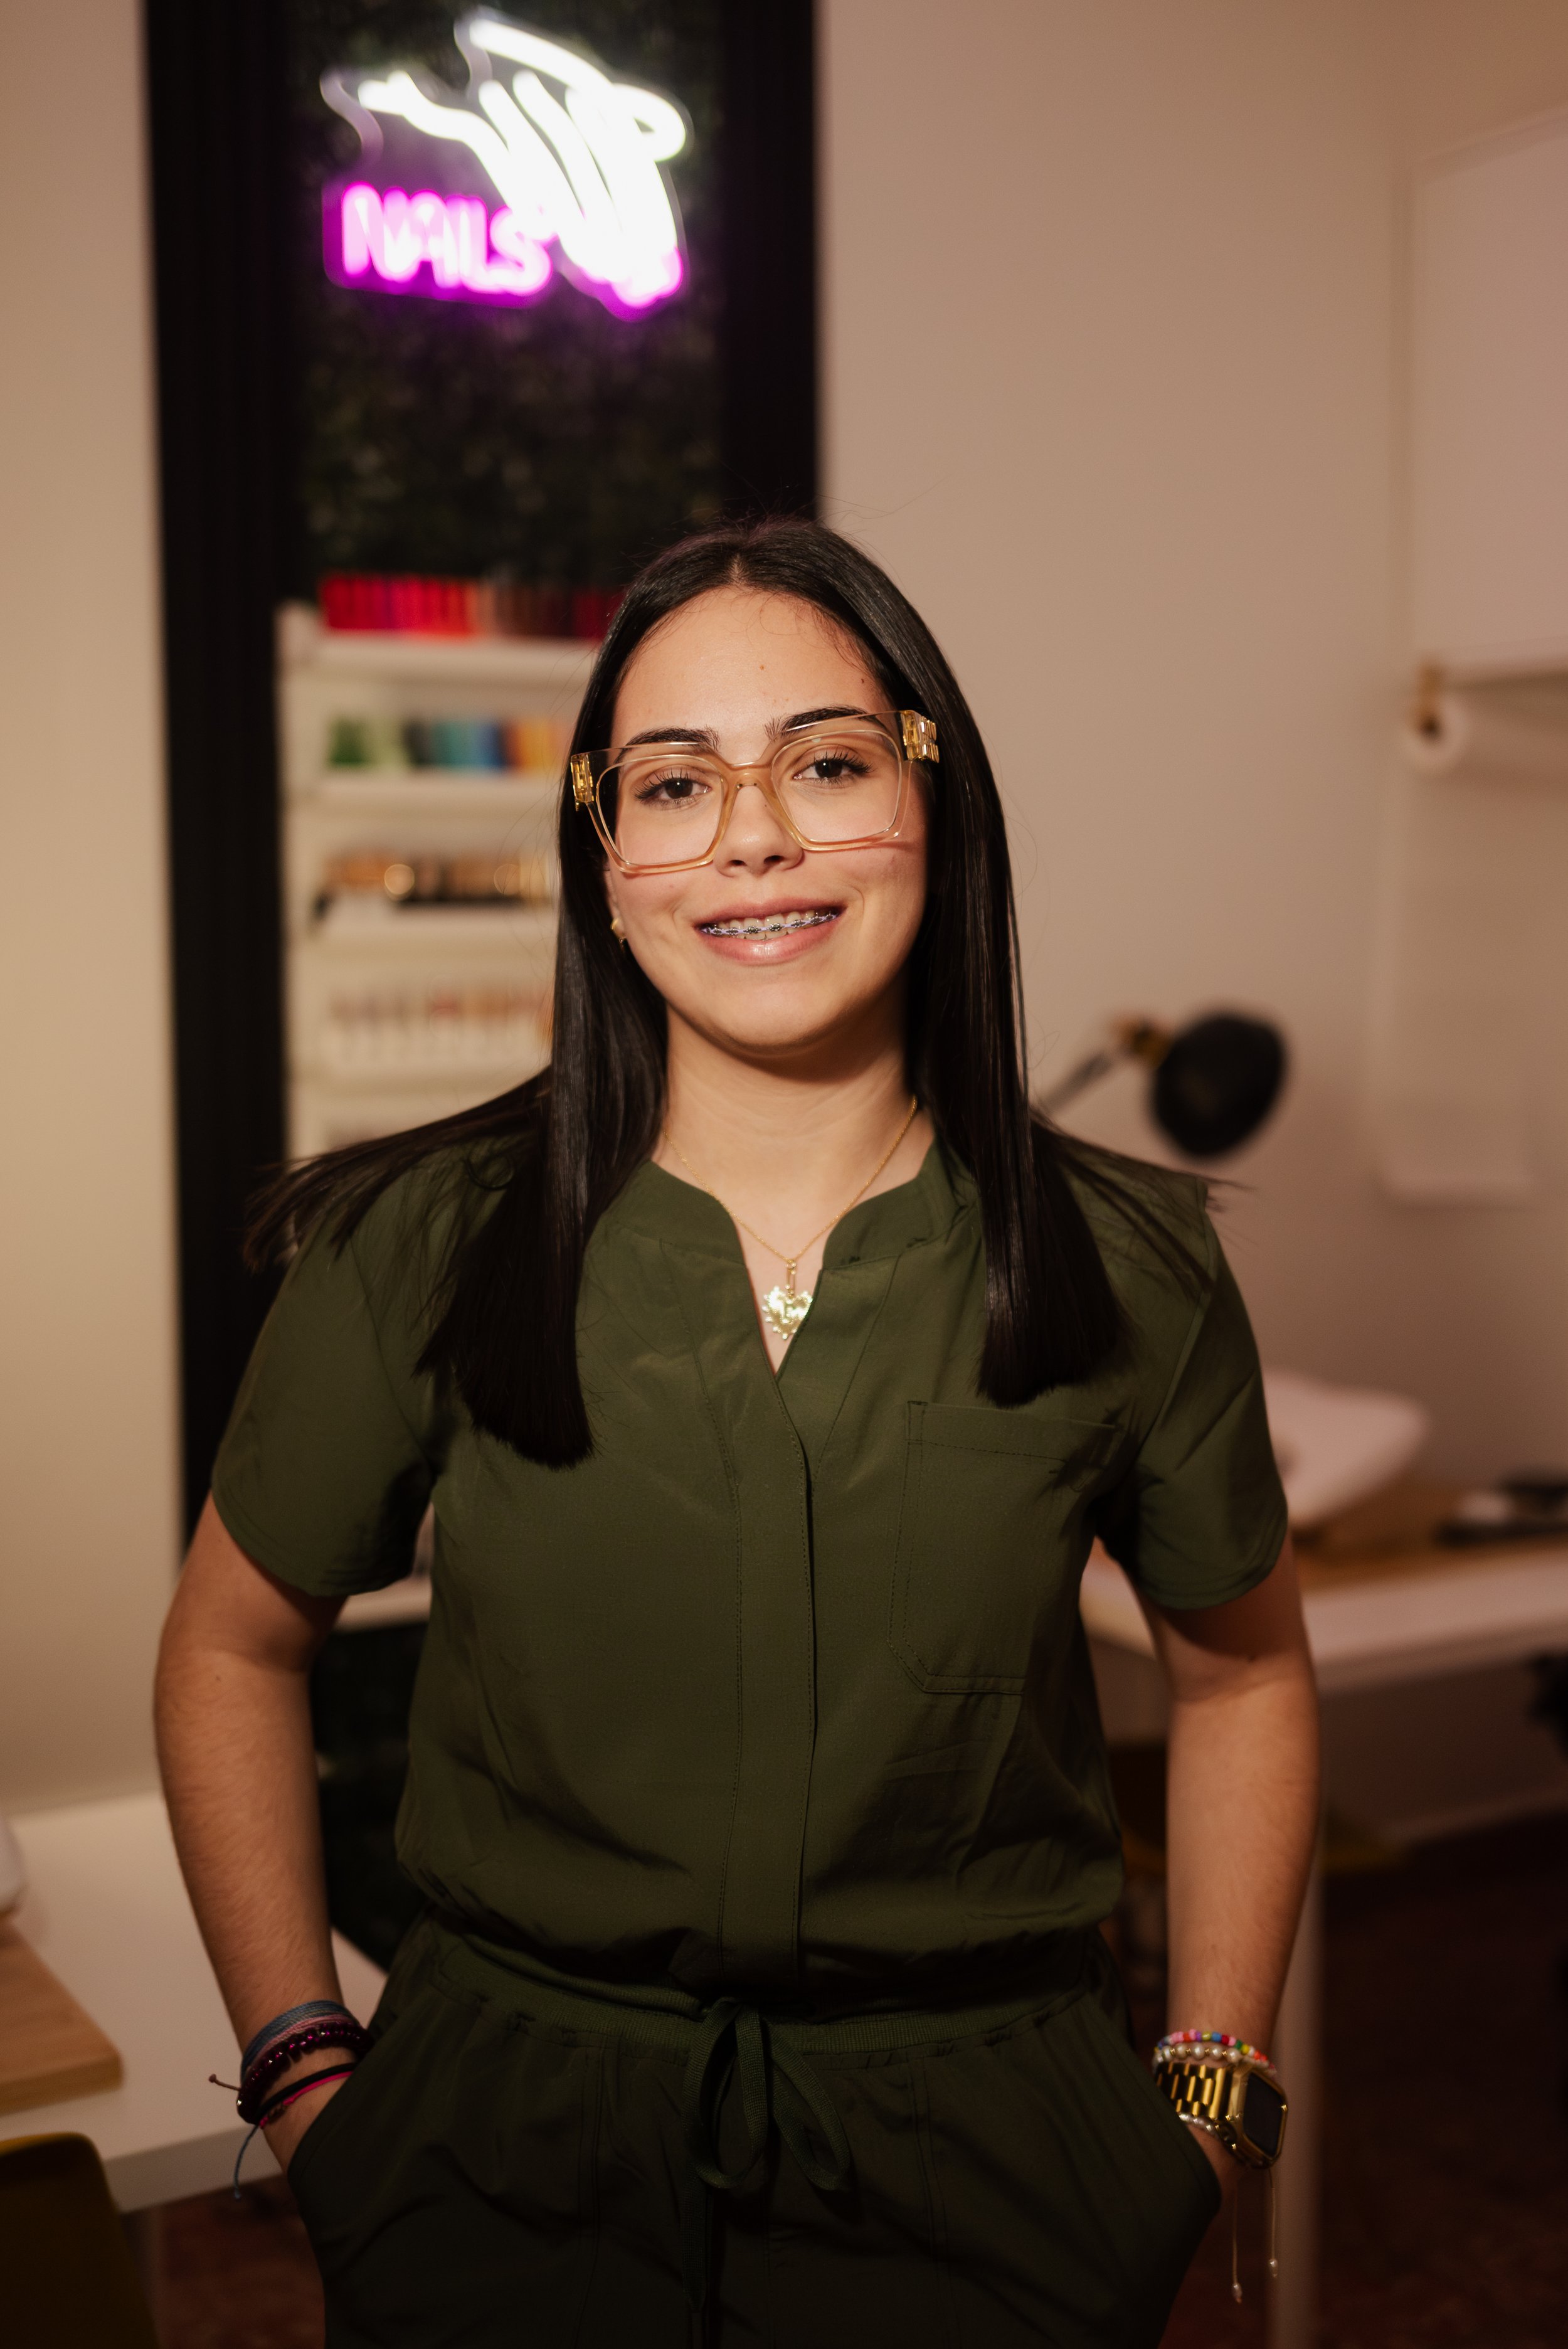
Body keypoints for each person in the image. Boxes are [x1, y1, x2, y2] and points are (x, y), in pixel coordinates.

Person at [156, 519, 1319, 2348]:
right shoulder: (426, 1239)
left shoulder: (1128, 1266)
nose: (753, 836)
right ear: (603, 854)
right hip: (497, 2160)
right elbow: (229, 1640)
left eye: (829, 763)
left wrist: (1208, 2094)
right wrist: (309, 2073)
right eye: (675, 784)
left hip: (994, 2171)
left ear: (934, 804)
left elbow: (1247, 1674)